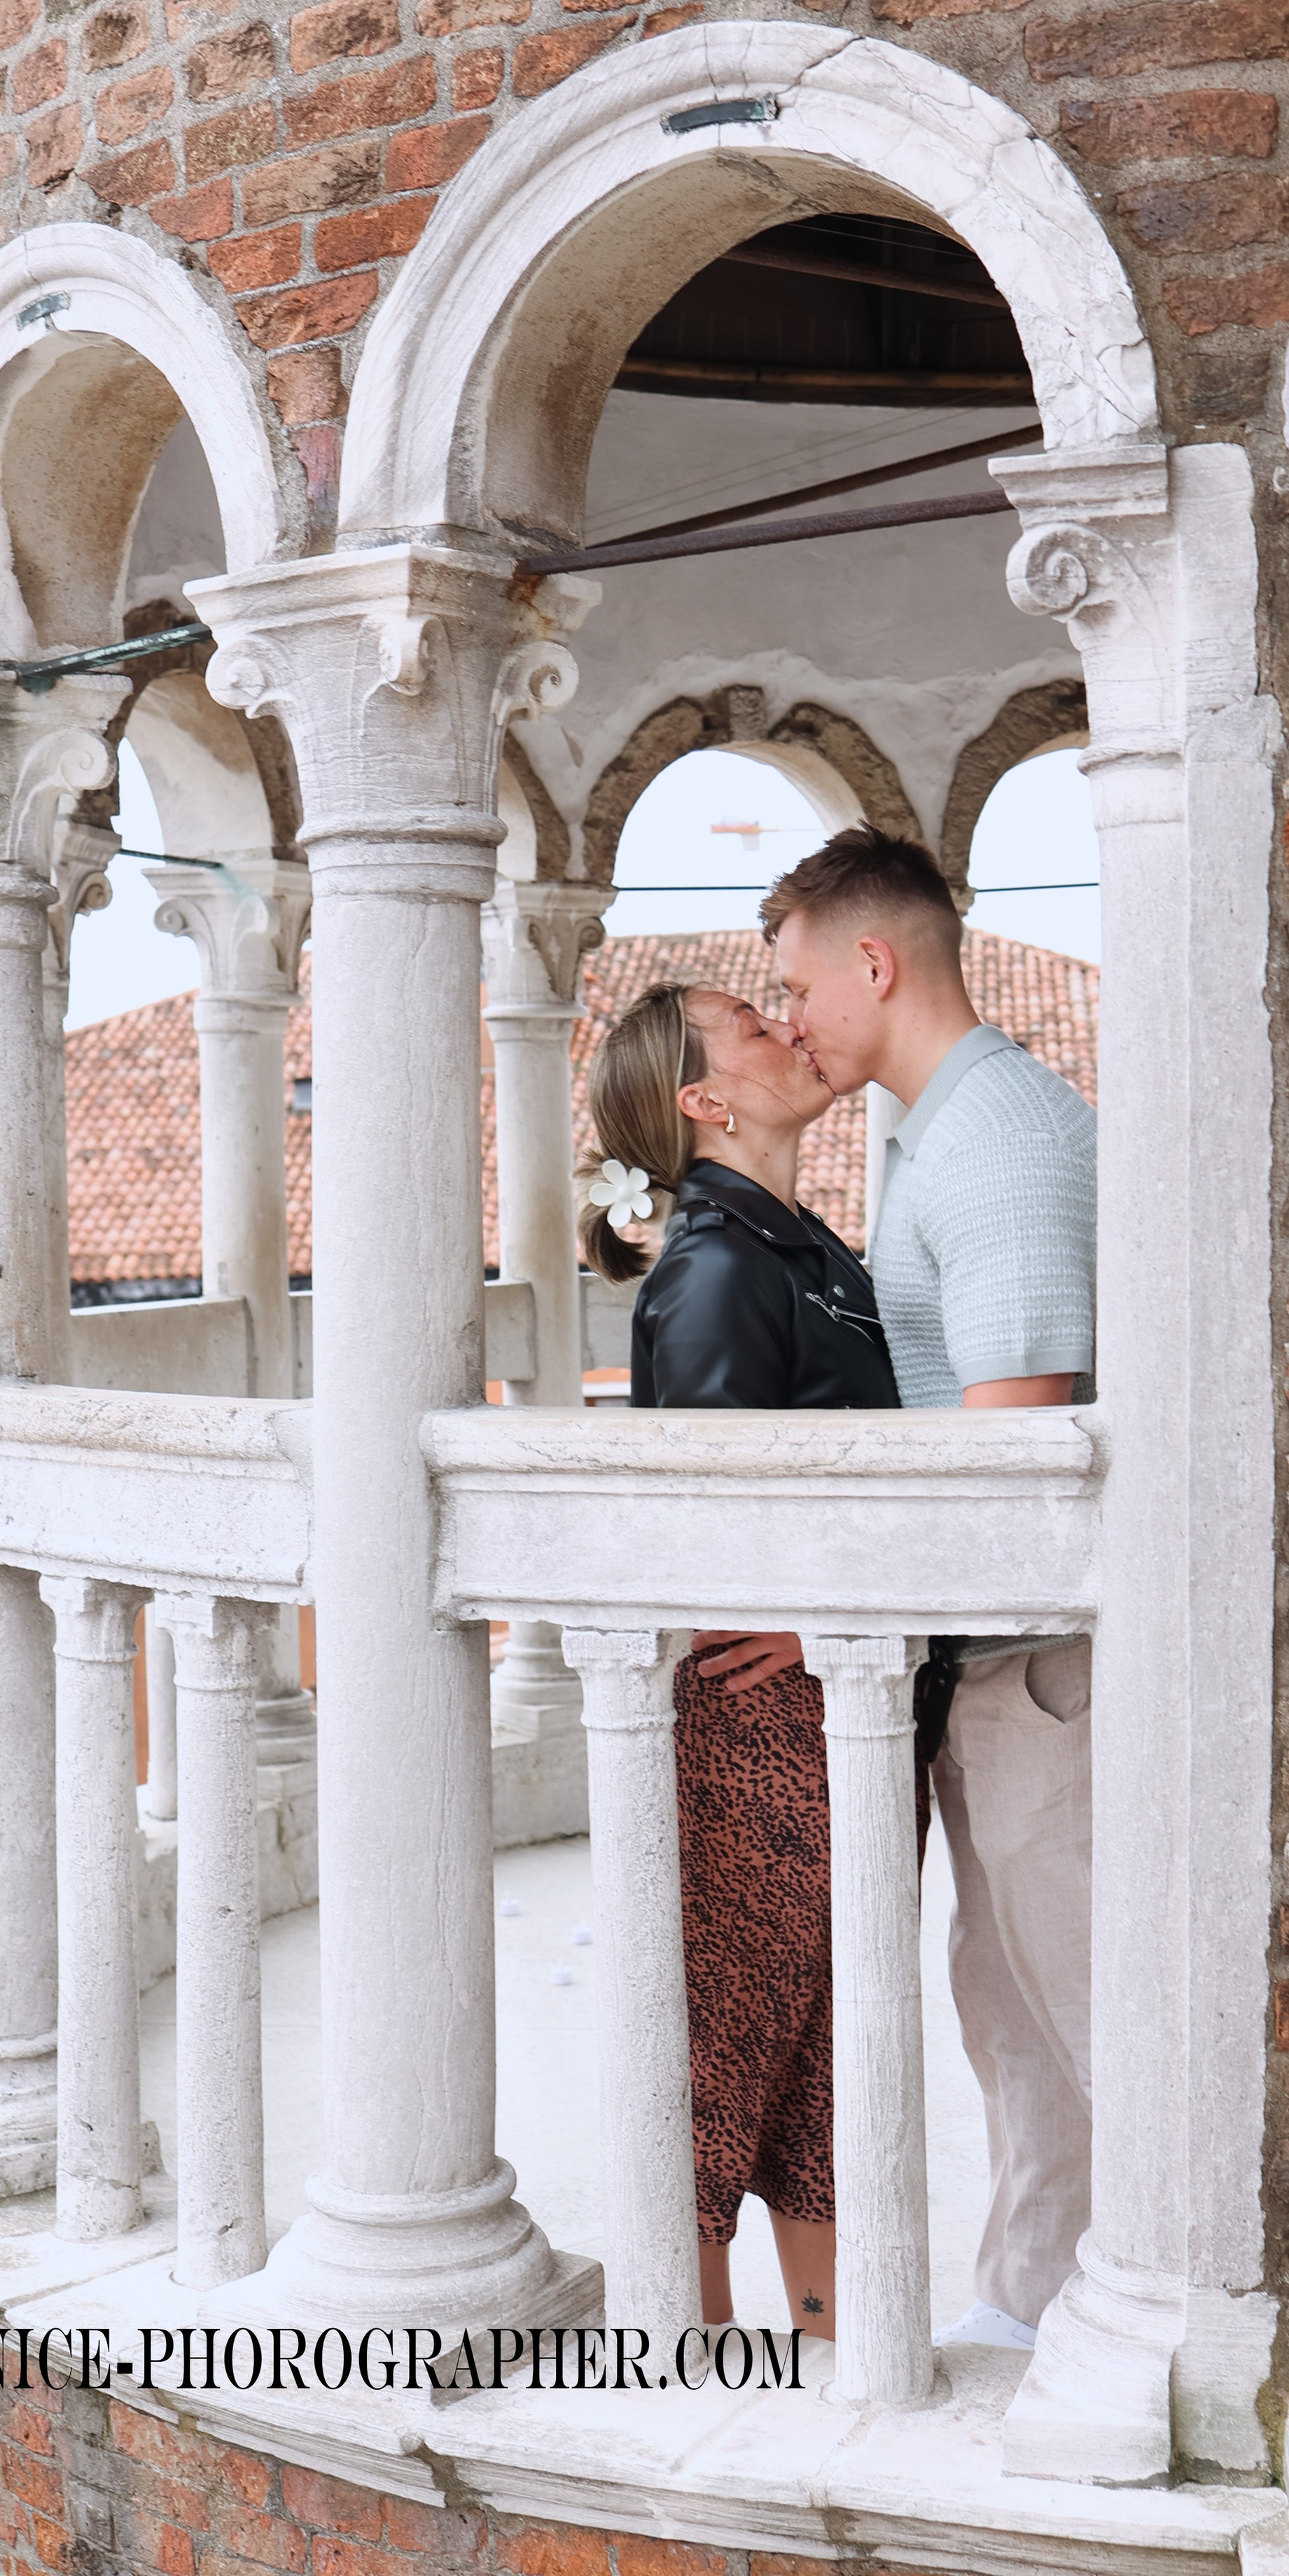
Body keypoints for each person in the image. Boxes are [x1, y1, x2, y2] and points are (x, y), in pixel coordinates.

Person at [765, 825, 1097, 2356]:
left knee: (1080, 2003)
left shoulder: (996, 1142)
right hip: (988, 1661)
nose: (788, 1020)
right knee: (1006, 2002)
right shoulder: (933, 1126)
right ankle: (1032, 2304)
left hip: (1045, 1665)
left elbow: (1019, 1444)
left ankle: (1135, 2320)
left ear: (873, 964)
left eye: (796, 983)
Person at [578, 980, 924, 2342]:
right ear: (704, 1101)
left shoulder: (800, 1246)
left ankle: (837, 2347)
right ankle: (692, 2367)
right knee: (720, 2071)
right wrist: (801, 1622)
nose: (792, 1027)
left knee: (823, 2070)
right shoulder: (717, 1269)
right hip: (753, 1730)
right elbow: (707, 1528)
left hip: (835, 1712)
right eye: (752, 1024)